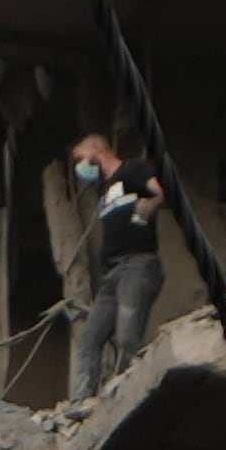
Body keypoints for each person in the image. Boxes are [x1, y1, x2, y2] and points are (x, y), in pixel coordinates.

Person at [69, 130, 166, 396]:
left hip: (138, 264)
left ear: (98, 149)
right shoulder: (105, 189)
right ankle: (82, 401)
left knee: (127, 336)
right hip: (112, 272)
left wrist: (153, 202)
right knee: (90, 339)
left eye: (82, 158)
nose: (80, 166)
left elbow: (161, 192)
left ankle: (125, 393)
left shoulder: (133, 169)